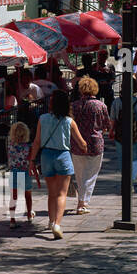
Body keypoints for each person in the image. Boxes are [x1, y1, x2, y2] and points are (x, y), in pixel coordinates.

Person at [27, 90, 88, 240]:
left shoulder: (43, 119)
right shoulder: (69, 121)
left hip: (46, 156)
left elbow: (37, 142)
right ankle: (57, 225)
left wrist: (32, 160)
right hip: (63, 156)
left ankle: (51, 220)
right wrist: (85, 147)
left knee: (52, 193)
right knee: (62, 193)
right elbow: (82, 143)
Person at [70, 75, 111, 215]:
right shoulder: (101, 105)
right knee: (91, 174)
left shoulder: (74, 106)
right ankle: (82, 202)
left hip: (77, 143)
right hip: (95, 143)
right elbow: (107, 125)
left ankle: (82, 201)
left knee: (80, 174)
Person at [109, 81, 137, 186]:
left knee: (122, 159)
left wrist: (111, 131)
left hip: (120, 134)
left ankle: (125, 180)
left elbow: (113, 119)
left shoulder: (116, 102)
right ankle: (130, 181)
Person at [6, 121, 34, 228]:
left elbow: (9, 158)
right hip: (25, 171)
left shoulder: (10, 145)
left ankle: (12, 220)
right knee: (28, 195)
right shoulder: (29, 146)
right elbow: (31, 159)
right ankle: (29, 214)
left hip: (14, 171)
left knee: (13, 197)